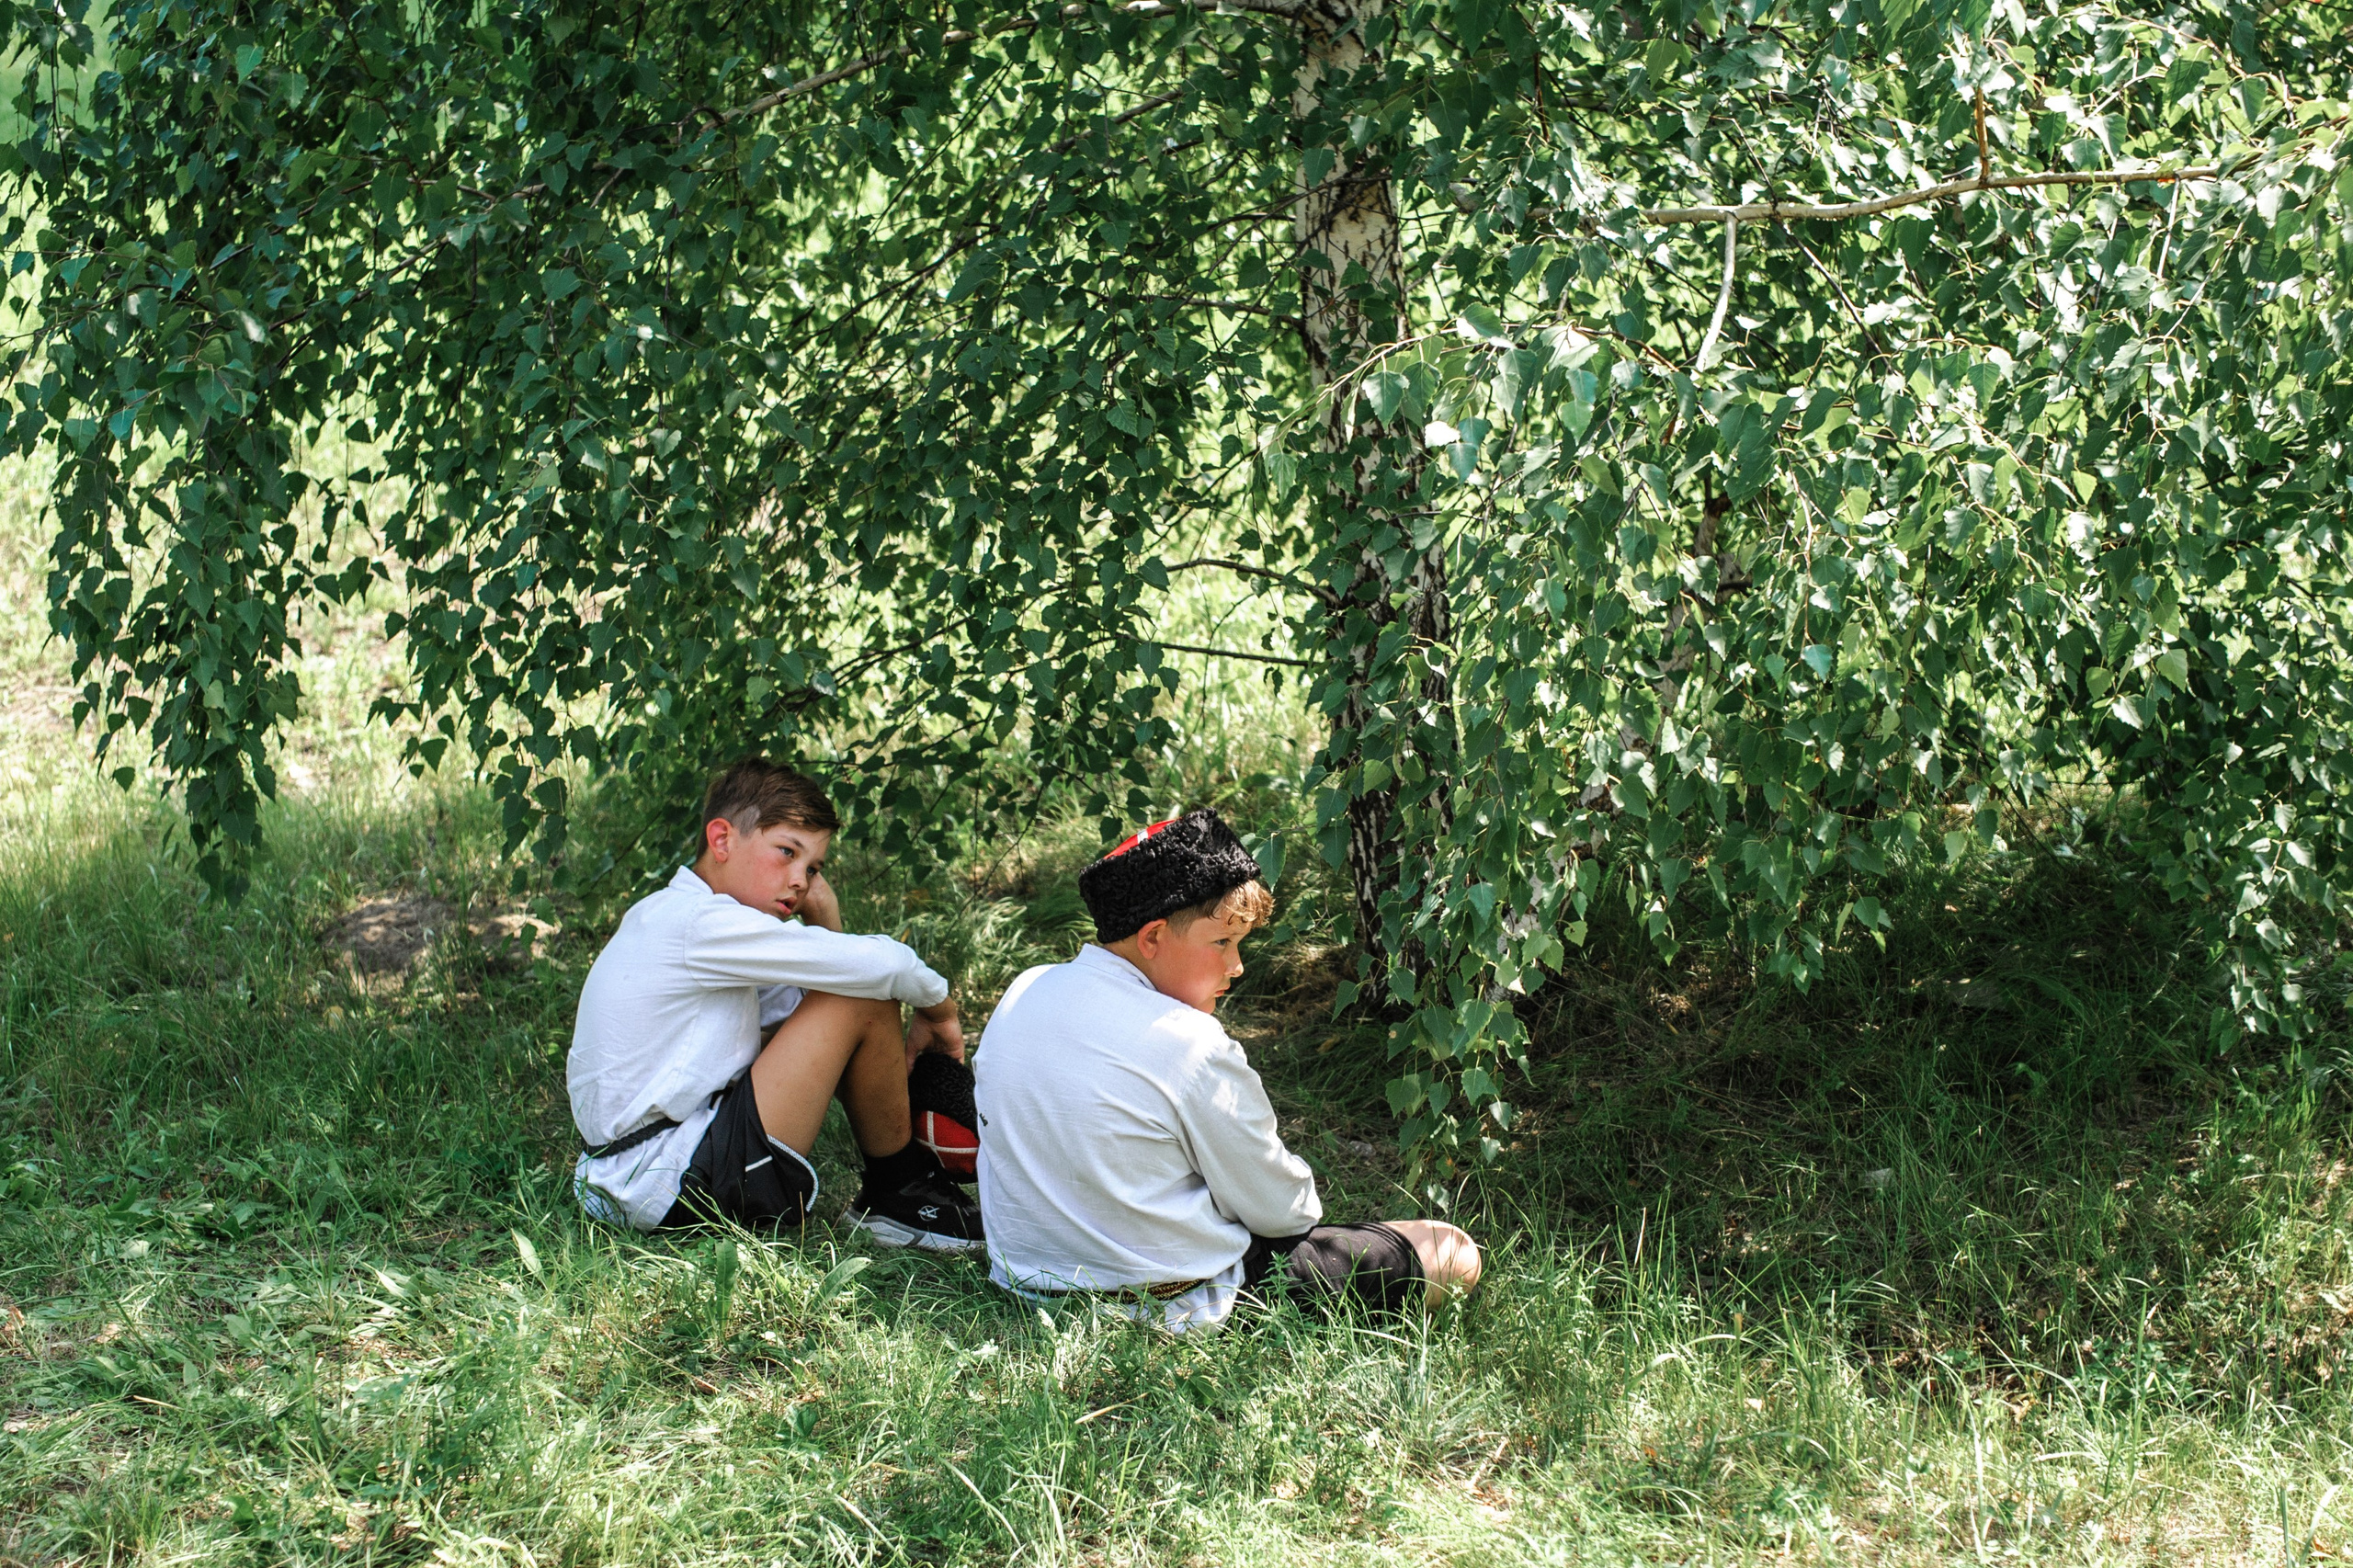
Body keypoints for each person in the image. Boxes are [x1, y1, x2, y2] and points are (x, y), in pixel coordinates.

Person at [974, 808, 1480, 1330]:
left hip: (1027, 1284)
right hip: (1168, 1301)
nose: (1236, 967)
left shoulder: (1024, 992)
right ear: (1151, 938)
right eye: (1222, 942)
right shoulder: (1186, 1042)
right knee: (1450, 1250)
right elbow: (1287, 1213)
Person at [568, 757, 982, 1250]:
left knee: (851, 990)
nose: (800, 880)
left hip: (630, 1176)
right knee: (860, 994)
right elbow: (875, 971)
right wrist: (941, 1011)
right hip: (668, 1181)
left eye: (813, 869)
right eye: (786, 853)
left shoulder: (678, 917)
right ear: (721, 840)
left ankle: (902, 1186)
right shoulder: (701, 922)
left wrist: (826, 917)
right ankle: (900, 1191)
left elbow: (813, 1016)